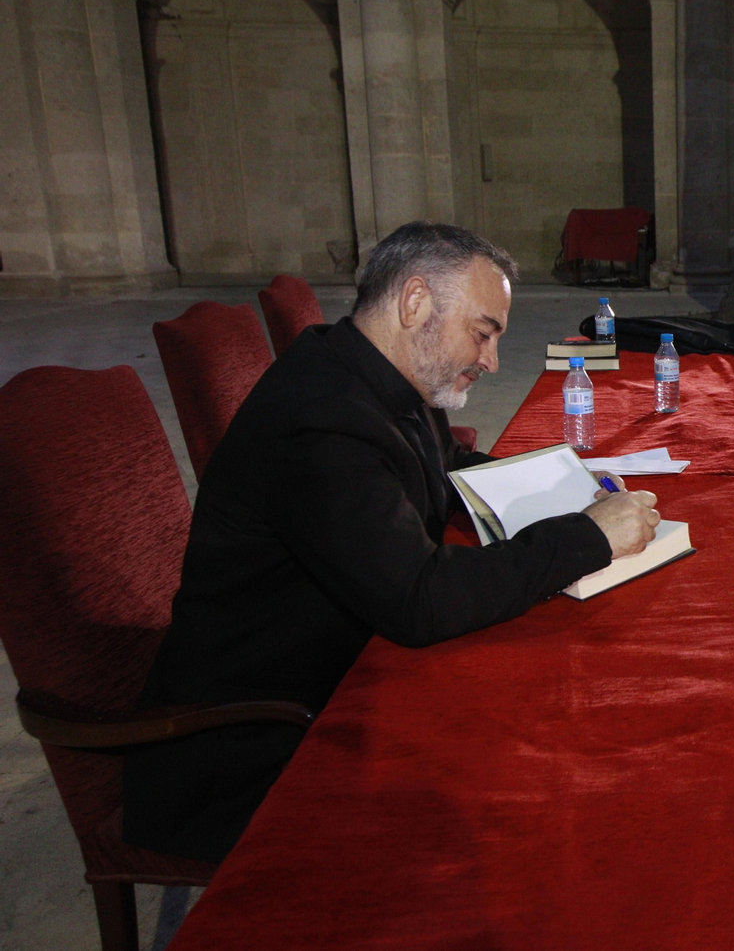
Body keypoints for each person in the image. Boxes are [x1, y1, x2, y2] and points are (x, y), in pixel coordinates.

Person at [122, 222, 661, 861]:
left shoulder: (374, 368)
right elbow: (419, 599)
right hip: (251, 749)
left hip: (328, 673)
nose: (492, 361)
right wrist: (587, 537)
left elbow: (443, 467)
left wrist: (563, 487)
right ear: (415, 302)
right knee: (528, 799)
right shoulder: (321, 422)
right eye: (483, 333)